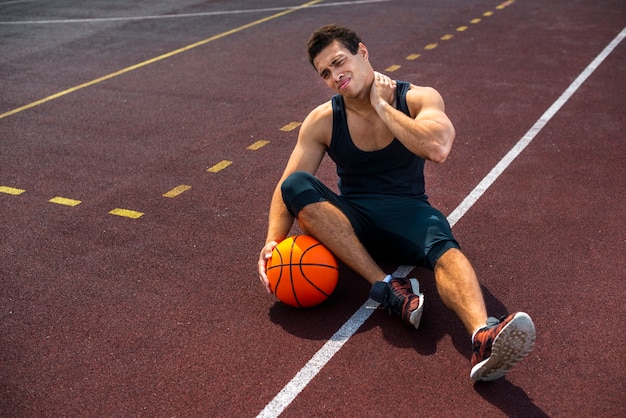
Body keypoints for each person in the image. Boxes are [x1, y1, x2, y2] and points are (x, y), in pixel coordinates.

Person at [257, 24, 536, 381]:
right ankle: (388, 289)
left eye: (340, 62)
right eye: (325, 73)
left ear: (363, 52)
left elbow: (437, 148)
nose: (335, 76)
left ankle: (482, 335)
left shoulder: (418, 98)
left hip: (408, 213)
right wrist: (272, 241)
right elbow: (287, 187)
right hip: (351, 219)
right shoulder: (323, 121)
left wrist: (381, 107)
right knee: (297, 184)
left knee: (445, 249)